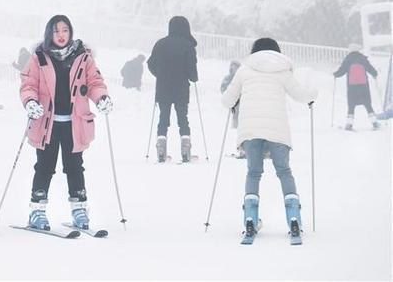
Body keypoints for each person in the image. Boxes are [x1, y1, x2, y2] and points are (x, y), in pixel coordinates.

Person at [20, 15, 112, 231]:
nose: (61, 35)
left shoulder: (83, 56)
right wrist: (30, 101)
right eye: (56, 31)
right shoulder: (39, 57)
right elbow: (28, 84)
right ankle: (37, 211)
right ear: (49, 34)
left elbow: (94, 82)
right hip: (47, 123)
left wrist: (101, 97)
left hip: (74, 123)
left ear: (70, 32)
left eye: (65, 30)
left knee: (74, 167)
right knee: (44, 167)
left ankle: (79, 210)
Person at [221, 37, 317, 243]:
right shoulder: (282, 70)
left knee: (253, 173)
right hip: (277, 130)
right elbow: (300, 94)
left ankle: (250, 218)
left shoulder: (244, 69)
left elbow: (227, 99)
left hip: (250, 130)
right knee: (284, 172)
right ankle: (294, 218)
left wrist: (233, 102)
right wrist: (312, 95)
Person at [146, 16, 198, 163]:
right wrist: (193, 77)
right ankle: (186, 150)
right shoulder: (188, 46)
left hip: (163, 88)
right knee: (183, 119)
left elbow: (150, 64)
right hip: (181, 88)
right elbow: (192, 71)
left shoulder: (160, 44)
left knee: (163, 118)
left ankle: (161, 150)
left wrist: (160, 74)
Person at [334, 43, 380, 130]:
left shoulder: (348, 59)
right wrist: (375, 74)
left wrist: (335, 75)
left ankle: (349, 124)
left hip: (352, 87)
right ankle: (374, 123)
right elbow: (370, 68)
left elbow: (341, 71)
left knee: (351, 105)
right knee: (368, 104)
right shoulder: (362, 58)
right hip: (363, 86)